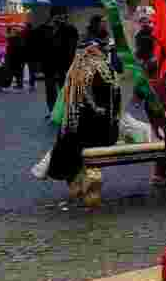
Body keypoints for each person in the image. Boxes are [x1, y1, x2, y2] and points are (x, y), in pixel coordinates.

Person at [46, 41, 121, 202]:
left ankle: (77, 186)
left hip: (84, 133)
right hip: (106, 131)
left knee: (67, 142)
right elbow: (116, 98)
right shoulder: (108, 69)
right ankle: (81, 186)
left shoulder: (78, 71)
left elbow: (74, 103)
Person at [42, 10, 79, 114]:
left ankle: (65, 111)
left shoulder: (70, 29)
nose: (60, 19)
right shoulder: (45, 29)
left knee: (65, 89)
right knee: (50, 90)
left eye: (62, 16)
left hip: (64, 64)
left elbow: (72, 47)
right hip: (49, 65)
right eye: (57, 16)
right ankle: (52, 111)